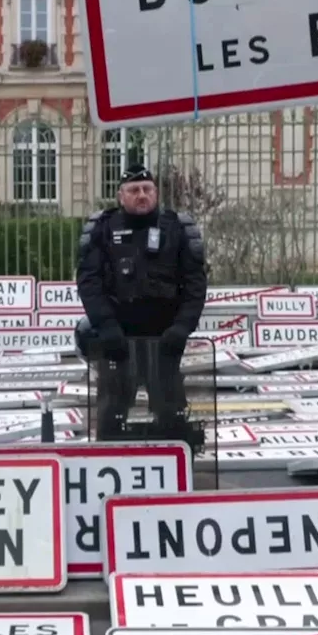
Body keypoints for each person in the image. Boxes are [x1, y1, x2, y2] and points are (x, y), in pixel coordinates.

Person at [75, 164, 208, 439]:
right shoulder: (103, 228)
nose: (142, 195)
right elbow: (89, 282)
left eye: (147, 189)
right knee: (112, 413)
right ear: (121, 196)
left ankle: (179, 470)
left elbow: (195, 283)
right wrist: (107, 326)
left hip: (165, 341)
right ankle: (111, 466)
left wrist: (182, 328)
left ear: (156, 193)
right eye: (134, 190)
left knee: (171, 414)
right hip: (117, 344)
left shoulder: (177, 228)